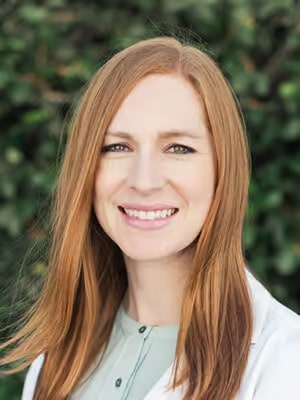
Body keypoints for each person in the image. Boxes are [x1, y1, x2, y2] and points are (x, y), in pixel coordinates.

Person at [1, 36, 300, 400]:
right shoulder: (57, 358)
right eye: (117, 147)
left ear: (223, 169)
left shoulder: (285, 361)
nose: (144, 181)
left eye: (178, 148)